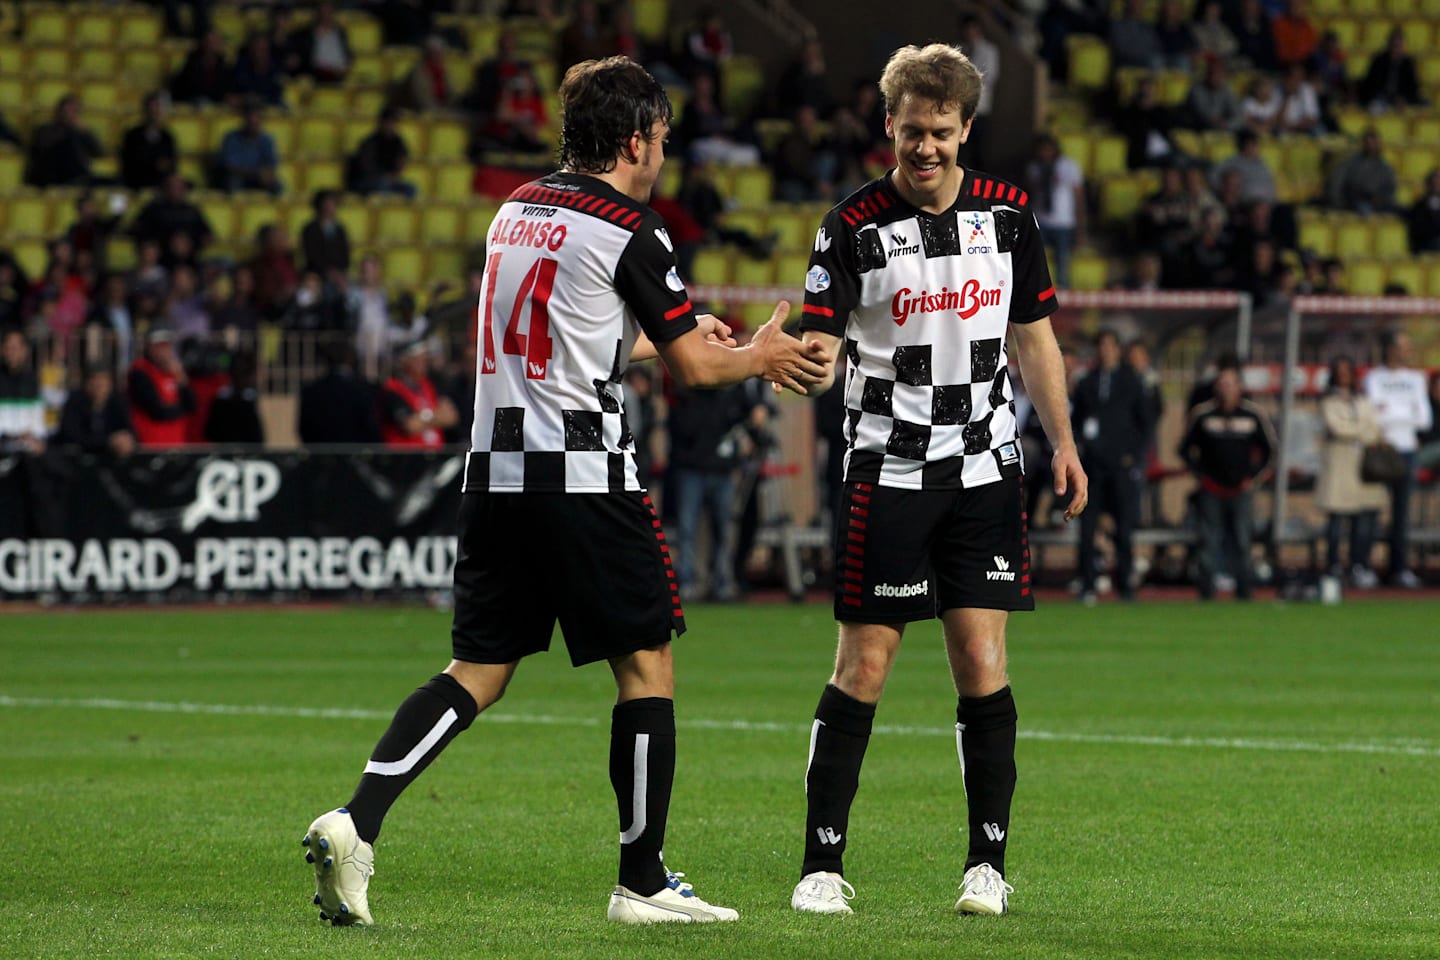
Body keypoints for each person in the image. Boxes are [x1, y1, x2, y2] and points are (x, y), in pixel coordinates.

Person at [300, 55, 830, 928]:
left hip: (496, 471)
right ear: (634, 141)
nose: (662, 156)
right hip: (585, 474)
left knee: (477, 670)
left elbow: (565, 340)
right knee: (646, 663)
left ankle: (358, 822)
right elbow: (702, 370)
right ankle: (644, 880)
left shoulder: (516, 210)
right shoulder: (633, 227)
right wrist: (760, 356)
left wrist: (664, 335)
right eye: (660, 140)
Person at [787, 43, 1087, 919]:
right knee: (864, 667)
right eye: (912, 131)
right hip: (889, 468)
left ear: (965, 130)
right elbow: (824, 344)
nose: (926, 148)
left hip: (988, 469)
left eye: (942, 134)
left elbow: (1035, 340)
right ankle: (820, 865)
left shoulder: (1012, 218)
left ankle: (986, 866)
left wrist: (1061, 444)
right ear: (889, 124)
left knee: (982, 661)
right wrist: (793, 362)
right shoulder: (848, 226)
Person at [1179, 366, 1275, 599]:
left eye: (1231, 384)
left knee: (1242, 539)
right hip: (1211, 489)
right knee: (1209, 539)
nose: (1226, 389)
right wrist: (1201, 475)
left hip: (1241, 489)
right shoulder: (1203, 415)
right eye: (1222, 384)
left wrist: (1252, 478)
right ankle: (1207, 591)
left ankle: (1244, 590)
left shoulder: (1252, 415)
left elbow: (1270, 450)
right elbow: (1184, 449)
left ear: (1239, 388)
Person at [1071, 330, 1153, 603]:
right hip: (1093, 465)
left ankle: (1125, 583)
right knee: (1087, 526)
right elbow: (1076, 419)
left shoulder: (1132, 381)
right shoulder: (1087, 382)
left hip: (1120, 464)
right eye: (1101, 345)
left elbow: (1145, 423)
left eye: (1109, 345)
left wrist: (1133, 456)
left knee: (1124, 526)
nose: (1105, 351)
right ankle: (1087, 582)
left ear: (1118, 349)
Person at [1362, 330, 1432, 588]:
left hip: (1407, 451)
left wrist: (1391, 411)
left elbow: (1424, 419)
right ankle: (1364, 567)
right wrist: (1406, 411)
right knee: (1372, 511)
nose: (1407, 351)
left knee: (1402, 516)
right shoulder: (1373, 377)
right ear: (1390, 349)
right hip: (1382, 450)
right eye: (1403, 346)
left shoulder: (1415, 378)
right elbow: (1373, 416)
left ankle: (1399, 569)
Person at [1317, 356, 1384, 588]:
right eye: (1340, 371)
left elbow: (1375, 427)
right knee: (1336, 522)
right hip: (1340, 468)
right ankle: (1333, 565)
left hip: (1363, 469)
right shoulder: (1329, 401)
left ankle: (1359, 565)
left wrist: (1359, 431)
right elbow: (1338, 428)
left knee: (1363, 523)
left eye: (1348, 371)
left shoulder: (1363, 400)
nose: (1344, 376)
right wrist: (1362, 431)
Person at [1024, 132, 1085, 290]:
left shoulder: (1069, 166)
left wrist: (1080, 226)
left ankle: (1063, 289)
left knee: (1062, 260)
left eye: (1048, 149)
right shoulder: (1034, 168)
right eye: (1042, 150)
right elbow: (1030, 193)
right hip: (1041, 220)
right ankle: (1036, 290)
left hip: (1063, 222)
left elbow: (1078, 197)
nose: (1045, 153)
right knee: (1036, 260)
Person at [298, 342, 382, 444]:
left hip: (321, 455)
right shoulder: (366, 389)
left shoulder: (311, 391)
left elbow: (304, 430)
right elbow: (372, 428)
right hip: (358, 454)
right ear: (352, 359)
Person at [127, 329, 195, 447]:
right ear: (148, 348)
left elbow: (192, 405)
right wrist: (182, 409)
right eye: (158, 346)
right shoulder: (140, 372)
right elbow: (156, 411)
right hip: (150, 445)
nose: (163, 351)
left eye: (166, 346)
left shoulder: (174, 372)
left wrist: (182, 379)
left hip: (176, 442)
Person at [56, 364, 137, 457]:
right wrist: (108, 441)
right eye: (94, 379)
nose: (99, 384)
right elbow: (71, 434)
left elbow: (129, 430)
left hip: (111, 458)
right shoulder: (75, 401)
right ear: (86, 383)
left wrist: (125, 440)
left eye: (104, 380)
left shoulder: (118, 402)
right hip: (79, 458)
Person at [217, 100, 281, 194]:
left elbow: (271, 164)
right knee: (232, 183)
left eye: (257, 118)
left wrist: (266, 175)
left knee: (277, 186)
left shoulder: (267, 140)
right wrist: (256, 173)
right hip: (239, 178)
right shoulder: (231, 138)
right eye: (250, 119)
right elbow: (229, 167)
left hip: (258, 179)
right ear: (245, 119)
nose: (254, 121)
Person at [121, 93, 180, 191]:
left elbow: (172, 163)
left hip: (162, 183)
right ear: (145, 111)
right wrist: (155, 164)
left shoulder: (167, 137)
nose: (154, 113)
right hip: (138, 182)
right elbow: (130, 163)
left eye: (157, 109)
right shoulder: (132, 136)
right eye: (151, 109)